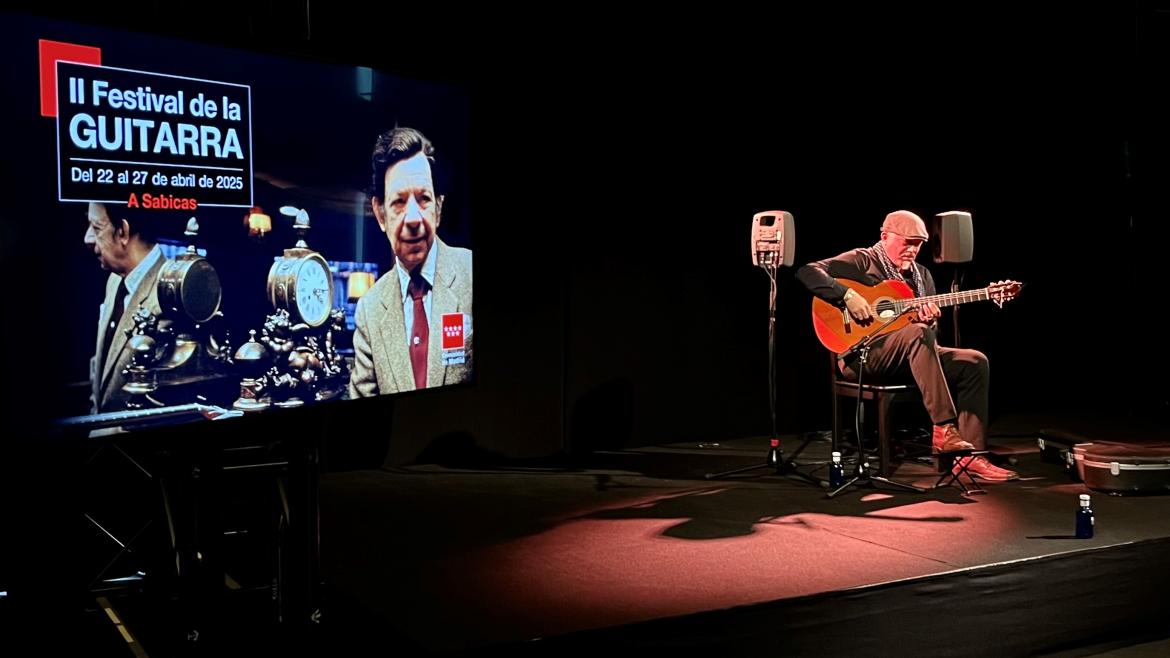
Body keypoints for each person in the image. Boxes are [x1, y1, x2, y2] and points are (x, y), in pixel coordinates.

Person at [795, 210, 1018, 481]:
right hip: (861, 357)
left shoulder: (922, 277)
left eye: (918, 244)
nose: (912, 250)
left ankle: (969, 458)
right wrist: (847, 295)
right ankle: (944, 429)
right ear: (885, 236)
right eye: (907, 242)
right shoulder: (864, 260)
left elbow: (927, 338)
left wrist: (932, 321)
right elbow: (808, 272)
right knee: (917, 333)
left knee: (974, 361)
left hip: (909, 356)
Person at [349, 126, 473, 397]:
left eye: (424, 198)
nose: (414, 218)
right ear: (381, 214)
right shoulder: (369, 311)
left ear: (438, 208)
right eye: (399, 202)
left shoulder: (471, 275)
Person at [84, 201, 168, 413]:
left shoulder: (167, 297)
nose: (87, 238)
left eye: (96, 228)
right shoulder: (114, 281)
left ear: (123, 231)